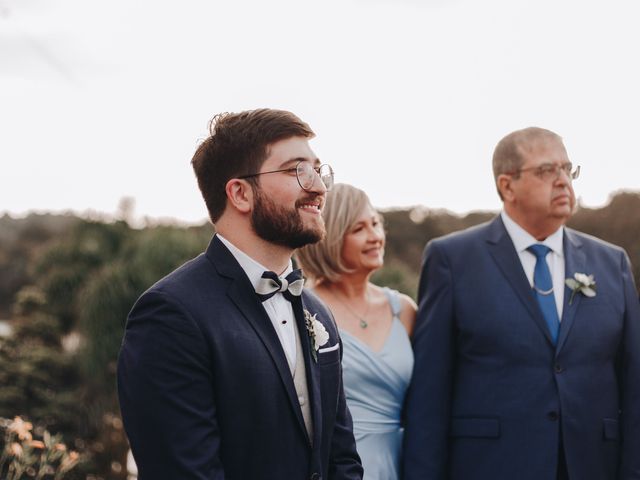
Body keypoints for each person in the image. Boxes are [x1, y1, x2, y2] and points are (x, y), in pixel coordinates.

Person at [117, 109, 363, 480]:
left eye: (318, 170)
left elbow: (341, 456)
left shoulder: (318, 312)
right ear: (240, 194)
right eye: (297, 169)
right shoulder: (171, 314)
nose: (319, 187)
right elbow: (185, 471)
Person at [403, 127, 640, 480]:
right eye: (547, 171)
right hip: (490, 466)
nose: (563, 181)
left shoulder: (612, 262)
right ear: (506, 185)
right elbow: (429, 396)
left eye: (567, 169)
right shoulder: (452, 259)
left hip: (593, 465)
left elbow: (634, 384)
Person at [296, 183, 416, 480]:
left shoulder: (404, 309)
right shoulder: (303, 310)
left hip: (404, 464)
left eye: (376, 223)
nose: (375, 237)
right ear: (332, 237)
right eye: (359, 229)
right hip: (334, 467)